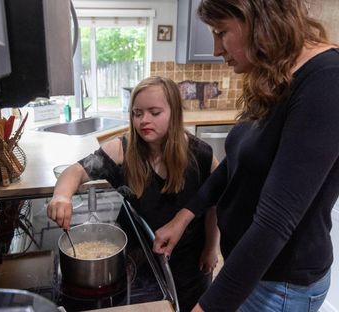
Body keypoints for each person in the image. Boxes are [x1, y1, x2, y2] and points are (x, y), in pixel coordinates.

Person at [153, 1, 339, 311]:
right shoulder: (276, 77)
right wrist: (183, 217)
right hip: (252, 272)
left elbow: (276, 220)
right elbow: (236, 163)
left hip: (281, 286)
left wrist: (206, 308)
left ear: (258, 17)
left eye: (221, 32)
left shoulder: (326, 79)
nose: (216, 49)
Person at [47, 76, 220, 312]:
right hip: (136, 261)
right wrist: (61, 197)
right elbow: (75, 172)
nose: (143, 120)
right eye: (137, 113)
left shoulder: (201, 155)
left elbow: (213, 205)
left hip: (189, 261)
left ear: (174, 113)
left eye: (154, 112)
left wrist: (211, 248)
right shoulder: (121, 150)